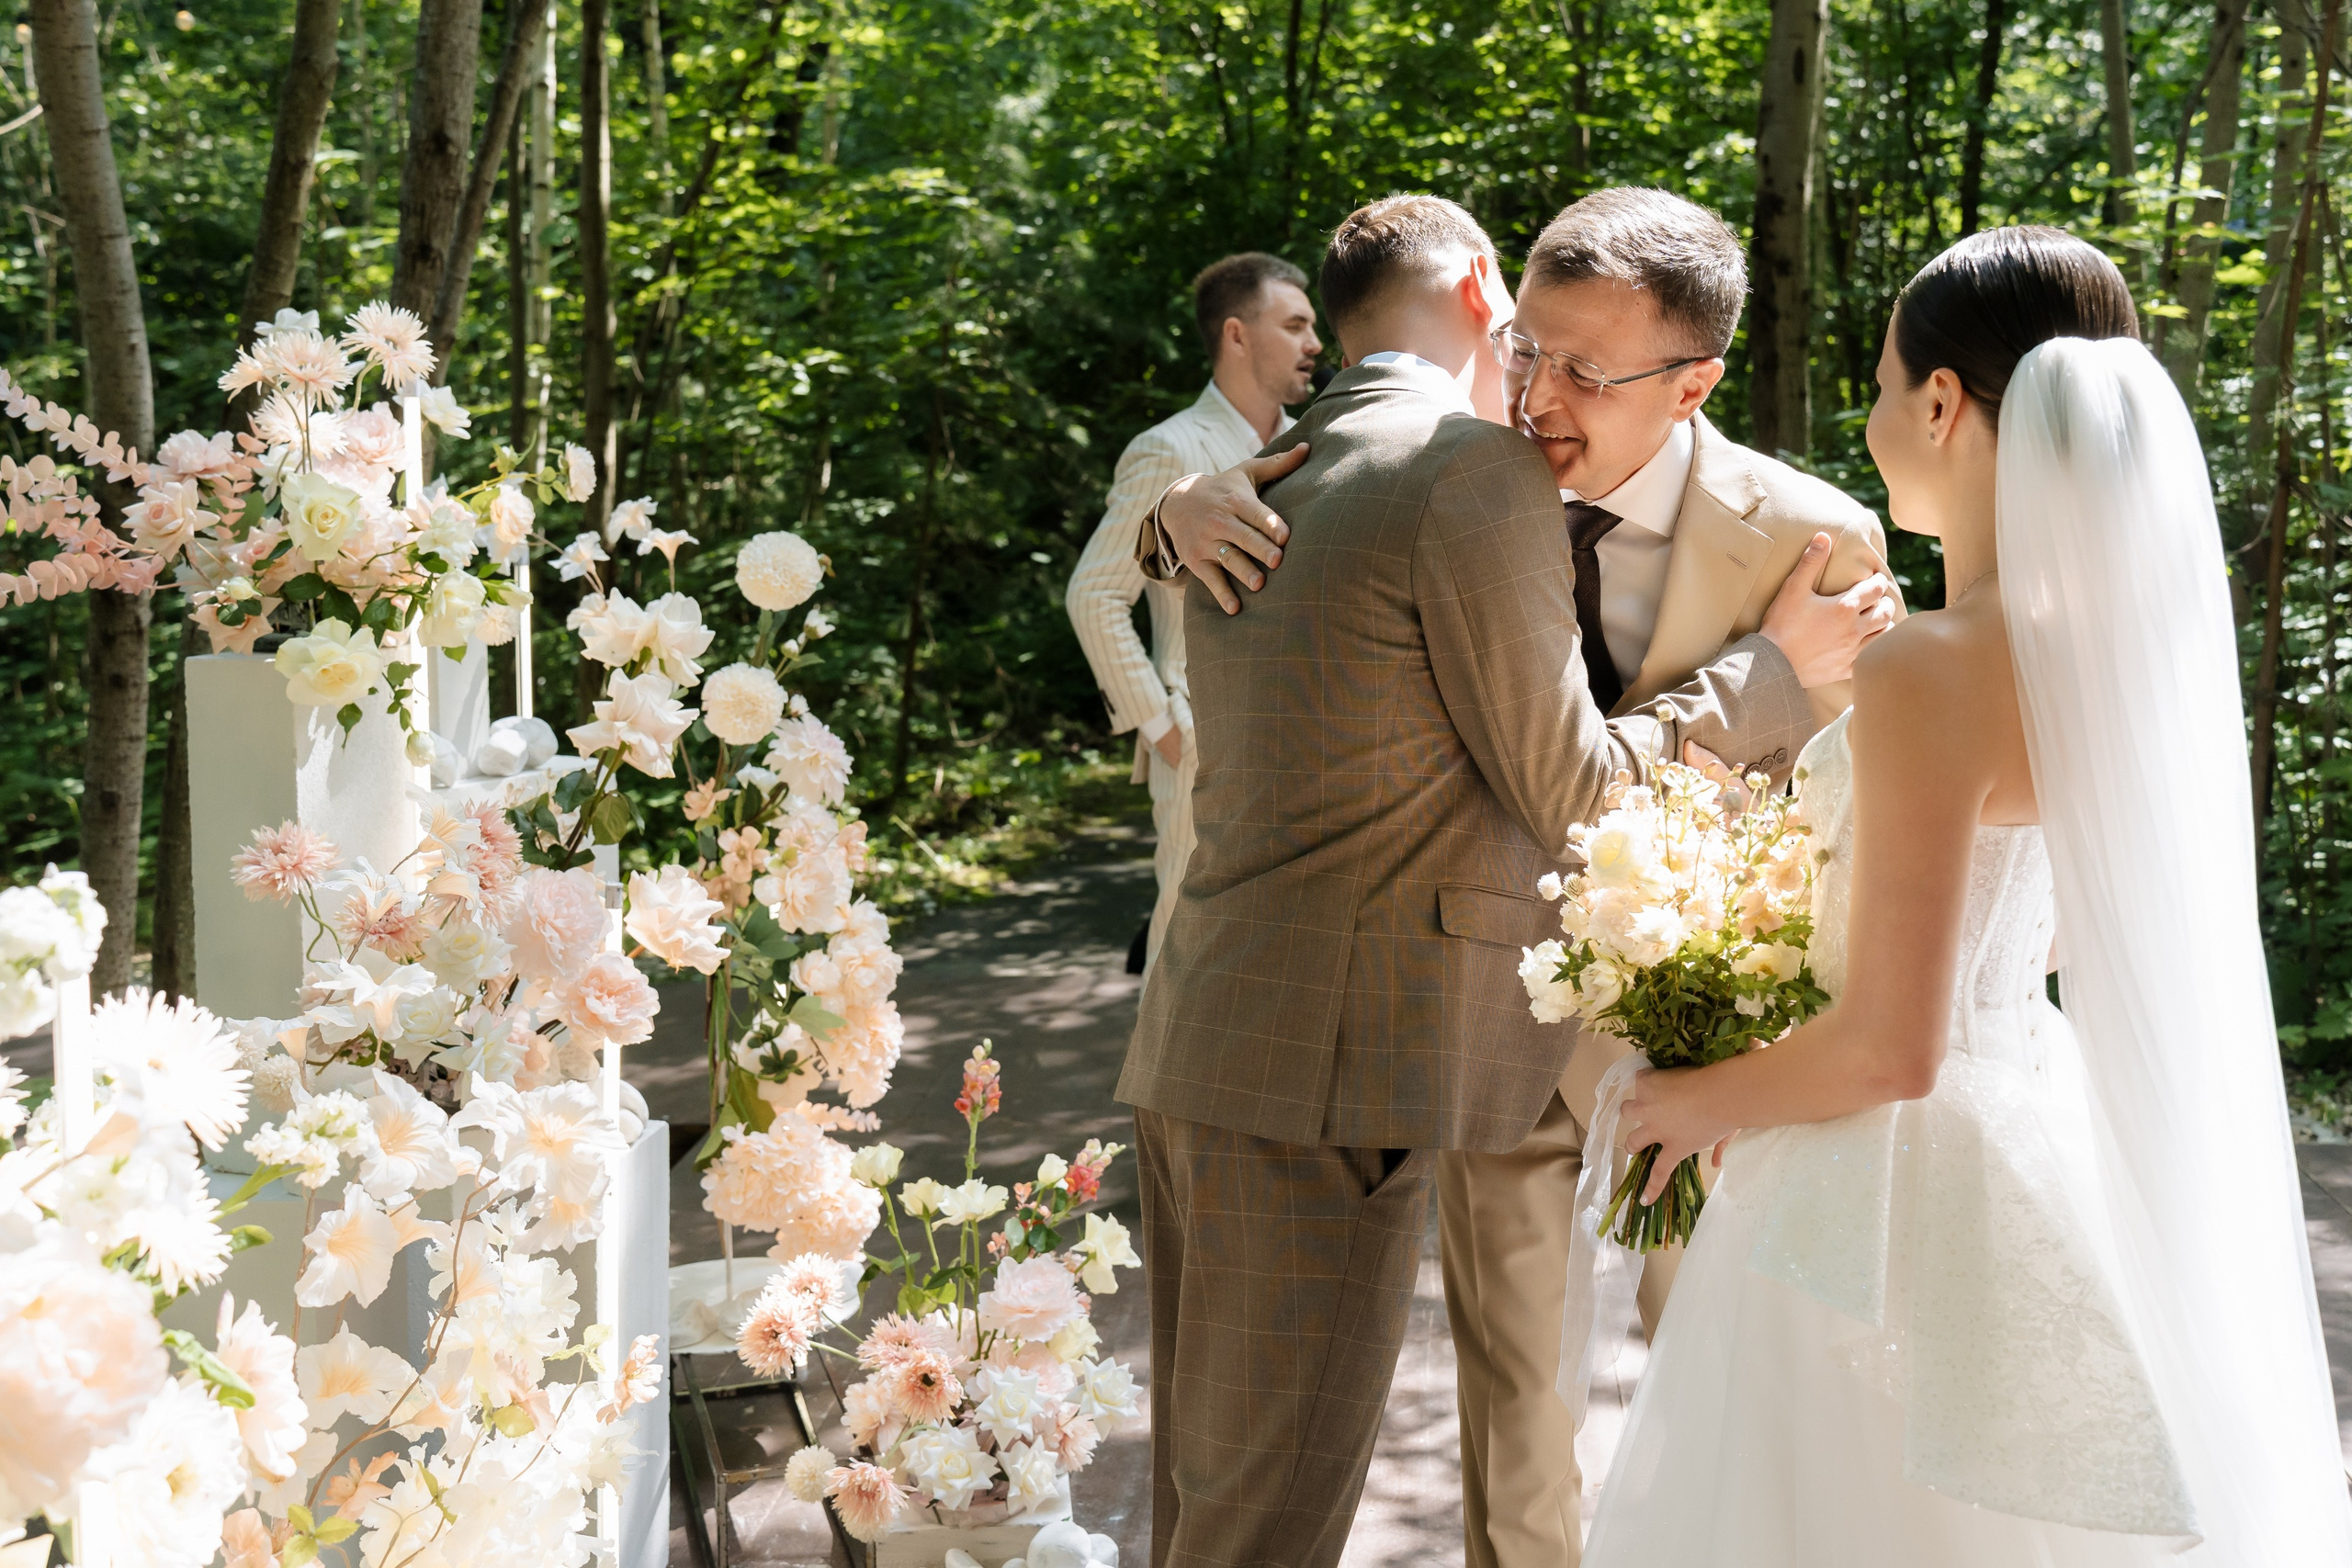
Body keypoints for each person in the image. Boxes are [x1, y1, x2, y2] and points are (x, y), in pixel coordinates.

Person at [1114, 192, 1893, 1568]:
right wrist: (1173, 514)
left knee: (1725, 1387)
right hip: (1477, 1032)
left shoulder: (1812, 541)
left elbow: (1847, 820)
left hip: (1703, 1049)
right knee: (1511, 1428)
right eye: (1530, 348)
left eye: (1590, 371)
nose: (1541, 391)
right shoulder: (1462, 461)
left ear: (1695, 380)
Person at [1584, 228, 2352, 1565]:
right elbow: (2041, 938)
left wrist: (1691, 1097)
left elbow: (1892, 1043)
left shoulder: (1932, 667)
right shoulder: (2097, 659)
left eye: (1884, 384)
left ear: (1943, 404)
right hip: (2033, 1135)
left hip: (1883, 1192)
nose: (1874, 417)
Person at [1065, 253, 1321, 973]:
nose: (1314, 343)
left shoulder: (1319, 444)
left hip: (1304, 750)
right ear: (1237, 335)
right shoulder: (1168, 450)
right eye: (1295, 324)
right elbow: (1094, 593)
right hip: (1202, 747)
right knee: (1185, 962)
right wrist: (1164, 729)